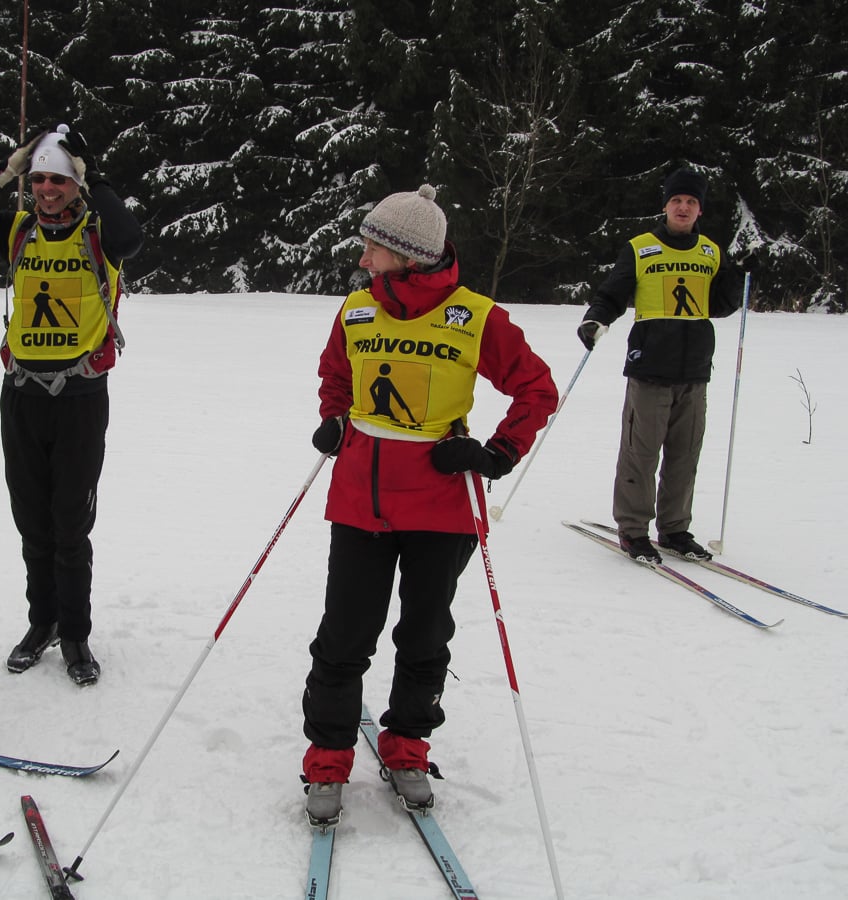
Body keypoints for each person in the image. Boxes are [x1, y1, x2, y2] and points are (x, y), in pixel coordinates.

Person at [301, 185, 558, 826]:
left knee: (424, 634)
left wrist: (494, 453)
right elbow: (337, 374)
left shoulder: (476, 317)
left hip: (440, 507)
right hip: (361, 500)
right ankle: (328, 758)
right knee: (343, 637)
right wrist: (335, 420)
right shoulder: (357, 311)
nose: (362, 258)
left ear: (408, 255)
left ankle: (408, 746)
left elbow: (537, 388)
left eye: (374, 247)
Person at [0, 124, 143, 686]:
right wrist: (2, 173)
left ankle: (74, 633)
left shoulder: (100, 234)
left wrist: (93, 175)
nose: (48, 189)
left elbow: (131, 236)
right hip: (21, 394)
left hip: (79, 398)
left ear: (76, 186)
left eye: (59, 180)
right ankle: (40, 623)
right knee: (31, 523)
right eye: (40, 179)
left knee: (70, 524)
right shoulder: (16, 230)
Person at [577, 167, 743, 564]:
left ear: (699, 210)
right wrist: (595, 318)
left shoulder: (711, 253)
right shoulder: (641, 248)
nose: (683, 207)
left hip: (695, 370)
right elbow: (613, 292)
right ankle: (634, 530)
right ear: (665, 205)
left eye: (691, 202)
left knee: (685, 454)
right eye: (676, 201)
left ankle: (674, 529)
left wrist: (738, 274)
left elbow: (720, 305)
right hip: (650, 367)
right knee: (641, 452)